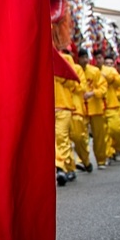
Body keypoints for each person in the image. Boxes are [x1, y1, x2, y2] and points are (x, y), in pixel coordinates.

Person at [53, 48, 81, 186]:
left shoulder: (66, 58)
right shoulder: (36, 57)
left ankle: (60, 167)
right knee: (56, 139)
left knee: (61, 137)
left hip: (63, 105)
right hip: (45, 107)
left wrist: (57, 71)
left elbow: (73, 83)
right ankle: (69, 167)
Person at [79, 51, 108, 170]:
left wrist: (93, 93)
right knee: (80, 135)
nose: (85, 60)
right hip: (80, 108)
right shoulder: (74, 69)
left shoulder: (95, 71)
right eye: (82, 57)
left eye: (86, 57)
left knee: (99, 136)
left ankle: (101, 160)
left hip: (96, 107)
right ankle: (82, 159)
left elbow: (103, 88)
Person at [100, 59, 120, 164]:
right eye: (106, 63)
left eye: (111, 63)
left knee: (116, 130)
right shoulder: (96, 72)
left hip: (114, 106)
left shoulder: (118, 77)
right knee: (104, 133)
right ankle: (108, 153)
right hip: (101, 107)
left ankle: (119, 148)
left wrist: (108, 78)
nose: (109, 66)